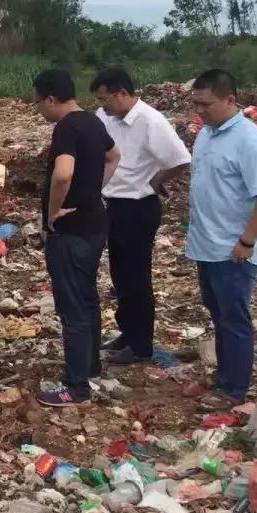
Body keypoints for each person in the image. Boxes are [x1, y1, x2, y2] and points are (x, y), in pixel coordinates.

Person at [187, 69, 257, 409]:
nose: (200, 110)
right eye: (195, 103)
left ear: (230, 100)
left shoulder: (249, 139)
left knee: (233, 317)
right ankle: (226, 375)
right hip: (206, 244)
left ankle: (233, 389)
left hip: (233, 249)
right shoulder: (206, 134)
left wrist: (247, 240)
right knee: (219, 313)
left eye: (206, 104)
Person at [33, 69, 121, 407]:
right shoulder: (93, 121)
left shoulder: (66, 127)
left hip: (70, 232)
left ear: (51, 99)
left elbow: (63, 173)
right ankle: (91, 366)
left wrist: (53, 212)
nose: (39, 109)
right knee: (87, 298)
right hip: (96, 224)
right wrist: (94, 189)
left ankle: (76, 387)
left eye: (39, 103)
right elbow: (114, 156)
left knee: (72, 308)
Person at [92, 66, 191, 365]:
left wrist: (155, 181)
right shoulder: (104, 117)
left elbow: (180, 159)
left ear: (123, 93)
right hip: (114, 205)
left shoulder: (151, 120)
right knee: (120, 276)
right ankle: (128, 332)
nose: (103, 105)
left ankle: (141, 346)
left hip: (138, 207)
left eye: (106, 98)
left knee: (137, 278)